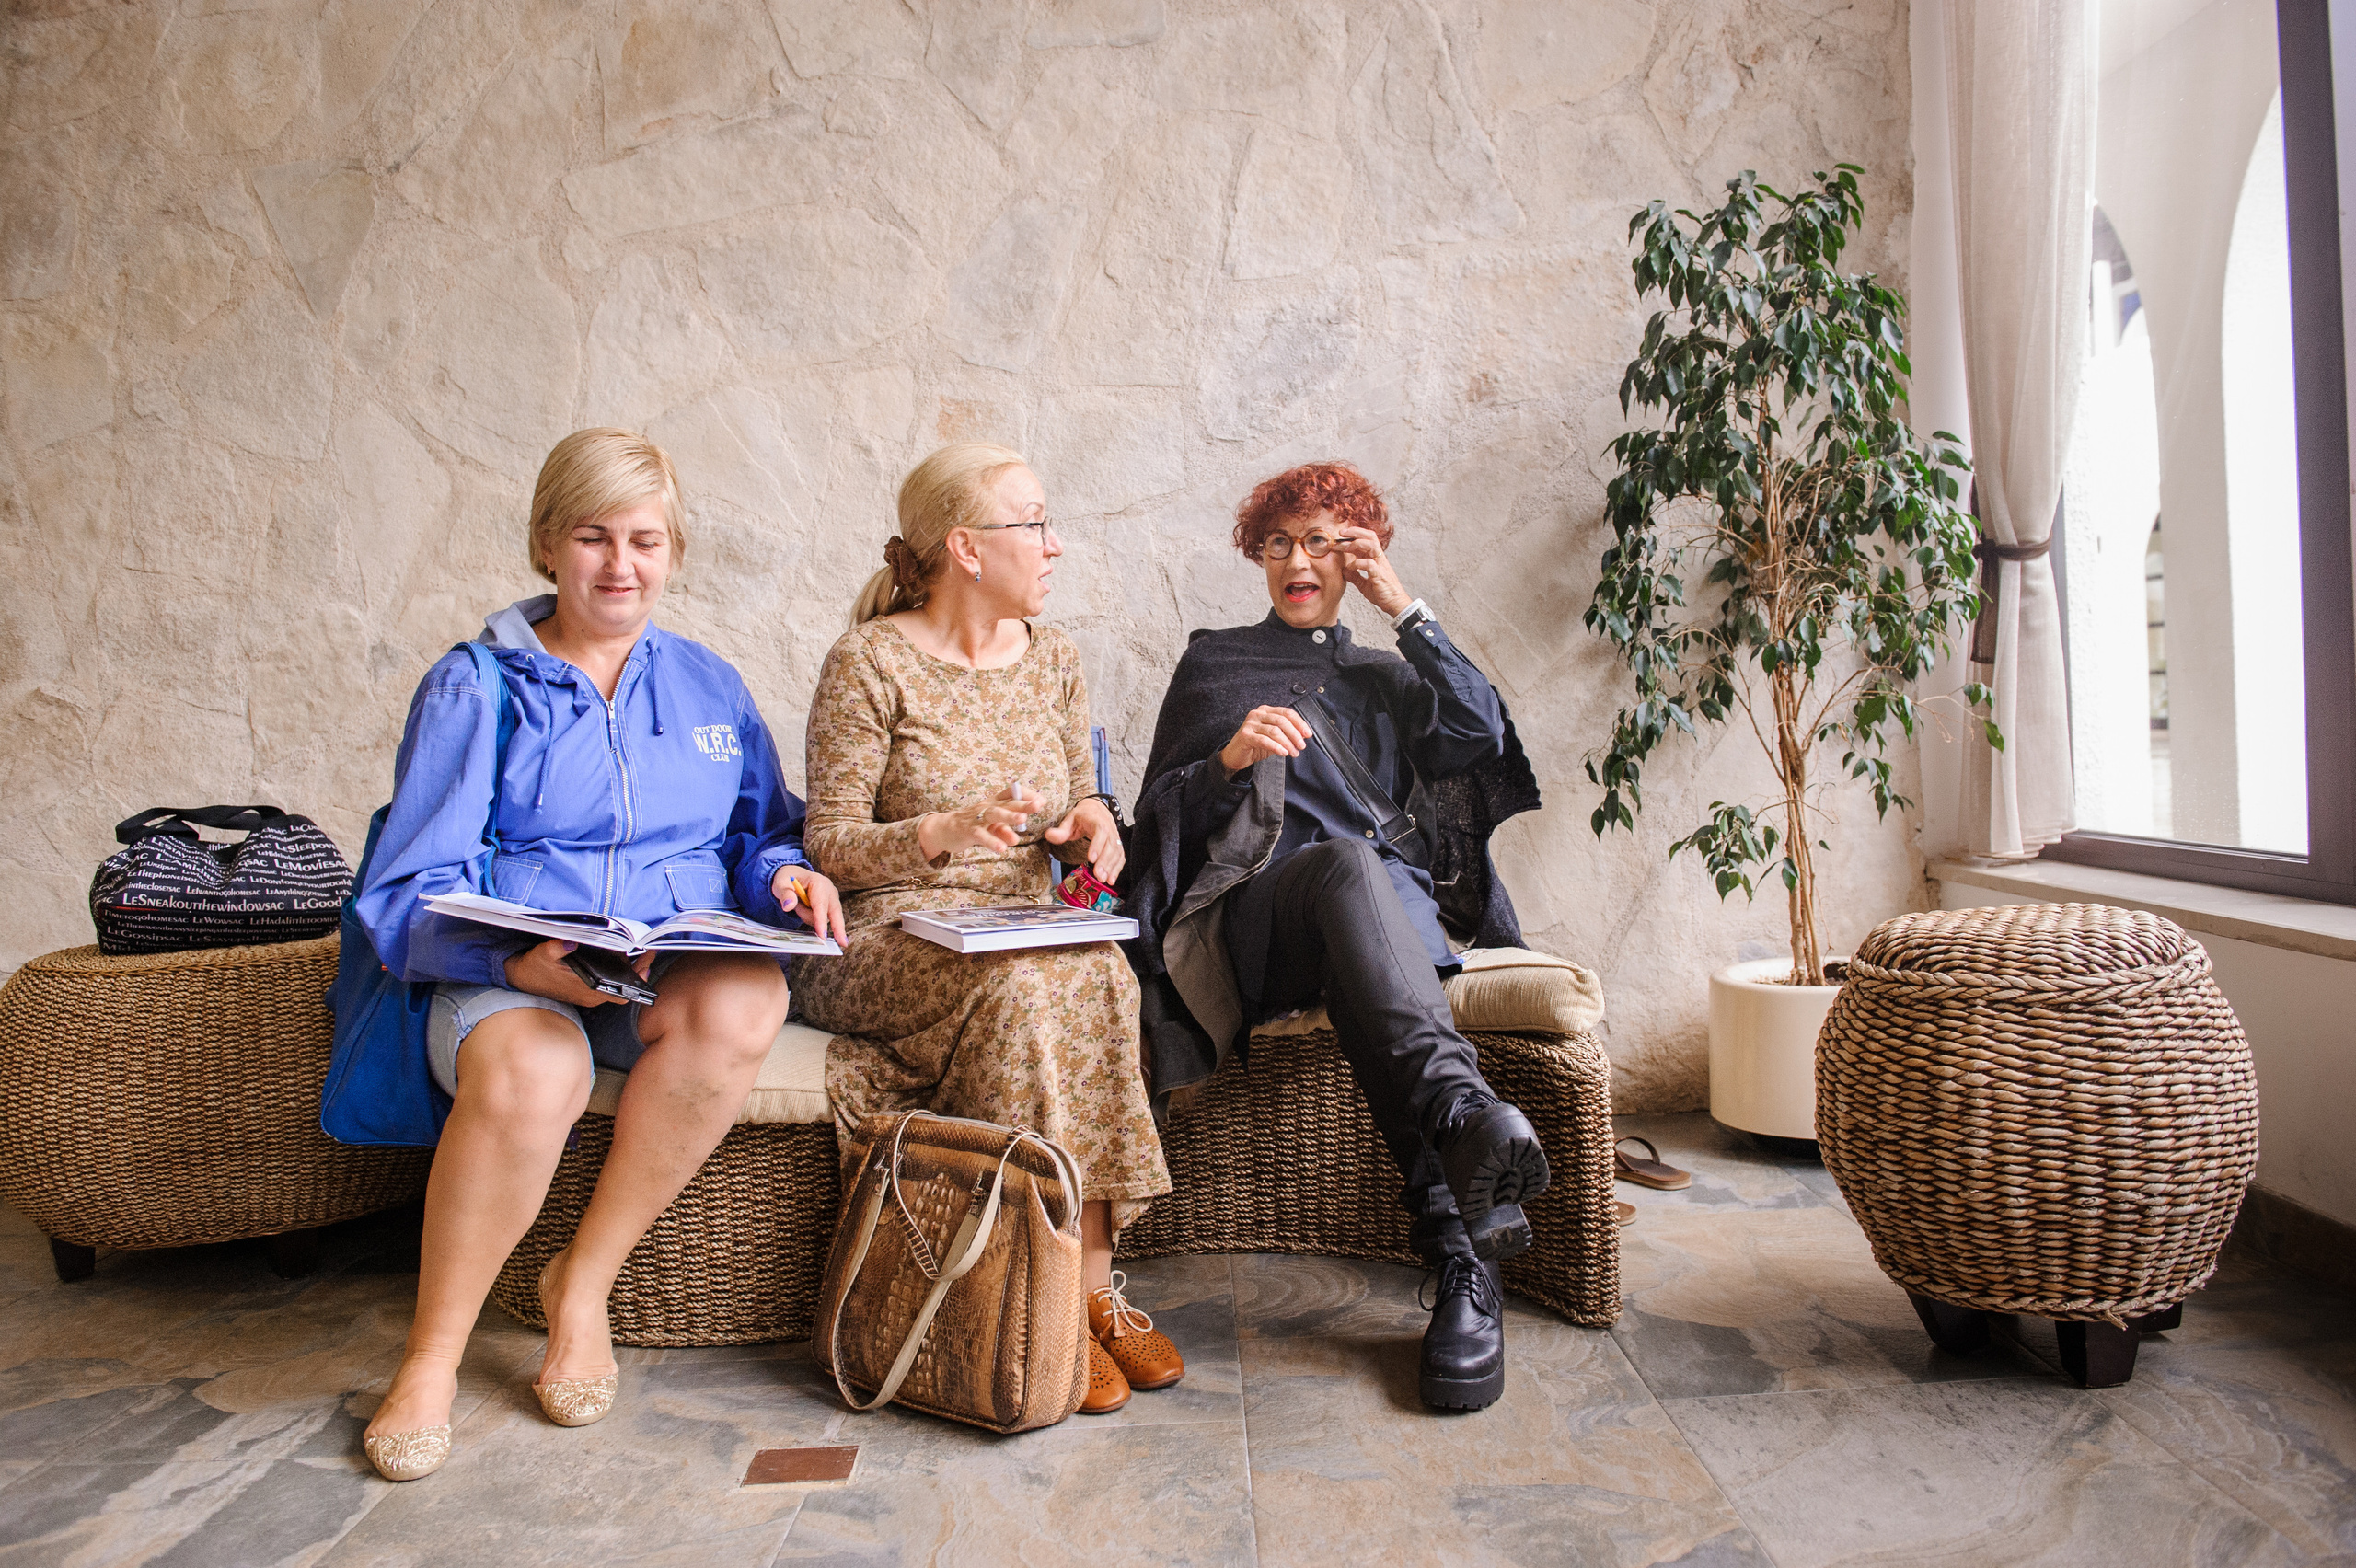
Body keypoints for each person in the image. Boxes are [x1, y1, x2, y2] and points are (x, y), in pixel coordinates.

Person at [352, 429, 847, 1481]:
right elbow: (400, 896)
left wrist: (789, 880)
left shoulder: (710, 685)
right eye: (592, 538)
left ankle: (581, 1284)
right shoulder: (474, 687)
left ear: (672, 552)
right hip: (509, 978)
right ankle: (432, 1359)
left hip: (656, 971)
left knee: (746, 999)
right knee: (543, 1066)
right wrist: (517, 960)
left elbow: (762, 834)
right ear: (545, 545)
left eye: (644, 540)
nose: (620, 566)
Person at [1126, 461, 1546, 1412]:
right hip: (1261, 921)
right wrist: (1230, 758)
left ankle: (1461, 1258)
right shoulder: (1215, 664)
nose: (1295, 560)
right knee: (1348, 868)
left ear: (1355, 557)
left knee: (1370, 910)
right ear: (1259, 559)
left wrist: (1407, 607)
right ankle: (1462, 1128)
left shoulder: (1386, 676)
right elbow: (1154, 819)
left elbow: (1479, 737)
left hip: (1380, 932)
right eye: (1278, 543)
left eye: (1320, 541)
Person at [796, 442, 1179, 1416]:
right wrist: (940, 833)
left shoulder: (1053, 656)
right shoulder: (870, 660)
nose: (1055, 544)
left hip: (1020, 921)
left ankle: (1089, 1291)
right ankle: (1041, 1301)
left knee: (1096, 966)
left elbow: (1081, 803)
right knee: (1025, 988)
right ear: (966, 548)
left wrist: (1092, 824)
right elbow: (831, 845)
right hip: (888, 935)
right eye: (1034, 523)